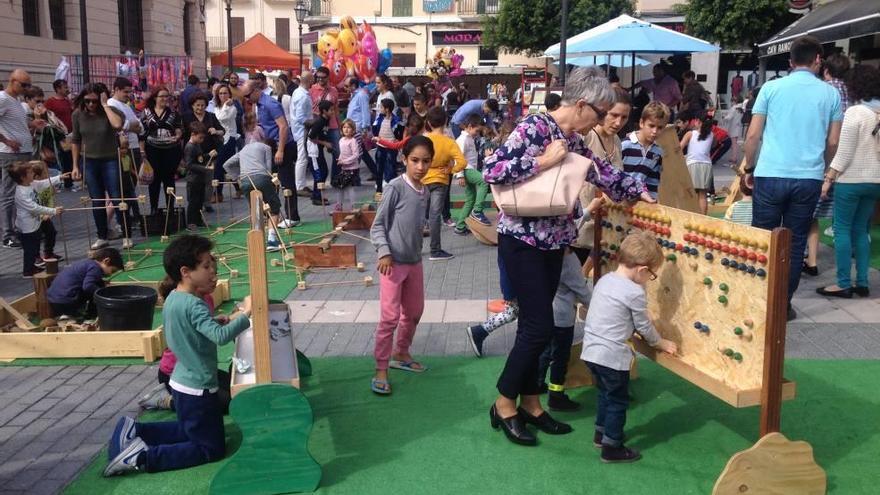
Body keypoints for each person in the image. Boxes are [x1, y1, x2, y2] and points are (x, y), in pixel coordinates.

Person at [483, 66, 651, 447]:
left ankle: (531, 403)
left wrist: (636, 189)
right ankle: (504, 403)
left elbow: (599, 171)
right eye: (599, 112)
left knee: (535, 327)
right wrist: (543, 162)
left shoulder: (571, 137)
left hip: (553, 242)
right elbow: (491, 170)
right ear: (581, 105)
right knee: (538, 328)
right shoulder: (535, 129)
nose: (603, 121)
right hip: (522, 240)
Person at [102, 235, 253, 477]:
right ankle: (140, 458)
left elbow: (190, 327)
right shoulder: (195, 304)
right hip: (197, 388)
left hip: (183, 383)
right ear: (186, 271)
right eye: (205, 266)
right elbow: (220, 337)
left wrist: (214, 319)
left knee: (189, 431)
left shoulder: (175, 297)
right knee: (209, 448)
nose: (212, 270)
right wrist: (247, 313)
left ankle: (136, 431)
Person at [743, 36, 842, 320]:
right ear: (818, 60)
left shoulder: (771, 88)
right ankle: (782, 304)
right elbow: (833, 141)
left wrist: (750, 168)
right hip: (808, 177)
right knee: (796, 241)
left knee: (762, 238)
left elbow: (752, 135)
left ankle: (757, 300)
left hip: (771, 173)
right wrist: (823, 168)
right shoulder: (830, 94)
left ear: (790, 62)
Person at [581, 231, 677, 463]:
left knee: (605, 394)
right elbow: (643, 325)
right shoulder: (634, 291)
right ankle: (612, 447)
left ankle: (600, 433)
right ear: (642, 270)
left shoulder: (605, 280)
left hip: (591, 351)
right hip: (611, 356)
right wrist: (660, 342)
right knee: (618, 401)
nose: (649, 279)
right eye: (651, 275)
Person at [369, 135, 433, 395]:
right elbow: (378, 225)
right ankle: (381, 368)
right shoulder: (395, 187)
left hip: (414, 261)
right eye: (415, 160)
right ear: (404, 159)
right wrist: (384, 252)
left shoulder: (425, 190)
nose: (420, 166)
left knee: (415, 311)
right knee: (389, 317)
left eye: (426, 161)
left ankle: (401, 352)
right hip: (392, 263)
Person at [816, 64, 880, 299]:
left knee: (842, 230)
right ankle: (862, 282)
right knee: (861, 230)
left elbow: (843, 152)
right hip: (875, 182)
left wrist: (828, 178)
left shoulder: (855, 113)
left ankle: (843, 283)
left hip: (851, 180)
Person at [805, 53, 854, 276]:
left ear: (826, 70)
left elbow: (830, 137)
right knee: (844, 219)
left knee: (806, 213)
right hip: (849, 161)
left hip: (822, 158)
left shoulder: (823, 90)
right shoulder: (853, 94)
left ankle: (808, 258)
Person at [71, 83, 129, 250]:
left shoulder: (110, 112)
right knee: (96, 200)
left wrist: (105, 105)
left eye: (94, 101)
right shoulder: (78, 114)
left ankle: (126, 235)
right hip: (89, 161)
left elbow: (117, 125)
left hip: (110, 159)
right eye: (87, 101)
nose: (90, 104)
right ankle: (102, 236)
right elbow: (75, 140)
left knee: (117, 197)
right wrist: (75, 165)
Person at [537, 245, 596, 412]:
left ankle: (537, 383)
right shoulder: (568, 259)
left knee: (546, 350)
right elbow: (581, 289)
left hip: (545, 311)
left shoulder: (542, 252)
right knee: (560, 358)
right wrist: (597, 308)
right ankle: (556, 396)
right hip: (562, 318)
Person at [245, 80, 301, 223]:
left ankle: (292, 216)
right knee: (270, 181)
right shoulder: (258, 105)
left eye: (247, 96)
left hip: (282, 146)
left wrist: (280, 150)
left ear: (256, 91)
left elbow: (283, 127)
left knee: (286, 181)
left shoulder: (270, 103)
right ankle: (274, 214)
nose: (246, 99)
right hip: (270, 145)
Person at [222, 137, 284, 250]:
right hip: (262, 177)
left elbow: (226, 165)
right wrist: (273, 184)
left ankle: (256, 241)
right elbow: (268, 169)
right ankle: (272, 240)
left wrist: (237, 179)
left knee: (255, 210)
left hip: (246, 181)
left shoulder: (243, 150)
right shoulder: (266, 147)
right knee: (274, 208)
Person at [1, 69, 38, 249]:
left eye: (28, 85)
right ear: (12, 81)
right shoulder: (3, 98)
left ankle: (17, 229)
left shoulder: (16, 101)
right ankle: (8, 234)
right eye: (23, 85)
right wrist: (7, 140)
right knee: (9, 193)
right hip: (10, 153)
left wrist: (32, 124)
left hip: (23, 151)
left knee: (21, 193)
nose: (26, 88)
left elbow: (18, 123)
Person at [423, 107, 466, 261]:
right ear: (446, 122)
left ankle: (412, 249)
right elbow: (462, 162)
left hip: (422, 180)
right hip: (440, 180)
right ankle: (435, 250)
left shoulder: (424, 139)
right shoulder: (449, 142)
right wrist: (451, 169)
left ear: (428, 122)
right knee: (435, 216)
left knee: (418, 214)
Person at [9, 161, 65, 277]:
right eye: (30, 172)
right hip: (27, 227)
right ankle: (28, 271)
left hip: (34, 223)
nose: (33, 173)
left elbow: (43, 183)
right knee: (30, 249)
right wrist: (54, 211)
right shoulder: (21, 193)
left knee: (35, 246)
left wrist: (59, 177)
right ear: (23, 177)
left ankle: (33, 266)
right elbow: (34, 208)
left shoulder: (31, 184)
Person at [47, 247, 123, 319]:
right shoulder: (95, 268)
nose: (110, 274)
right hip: (66, 301)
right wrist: (103, 293)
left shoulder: (87, 262)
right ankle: (91, 313)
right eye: (112, 271)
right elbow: (88, 286)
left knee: (98, 284)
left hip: (53, 299)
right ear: (106, 261)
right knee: (97, 288)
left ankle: (70, 313)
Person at [140, 86, 183, 214]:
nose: (165, 99)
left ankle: (170, 207)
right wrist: (142, 152)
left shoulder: (174, 113)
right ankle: (153, 208)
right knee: (154, 180)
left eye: (167, 96)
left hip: (170, 149)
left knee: (169, 179)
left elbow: (179, 128)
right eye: (162, 96)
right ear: (155, 98)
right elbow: (142, 133)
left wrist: (178, 135)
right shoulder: (146, 112)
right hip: (152, 149)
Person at [622, 102, 669, 200]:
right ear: (641, 123)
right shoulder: (625, 145)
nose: (655, 131)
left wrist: (652, 200)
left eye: (660, 127)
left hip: (642, 202)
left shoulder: (658, 152)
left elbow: (653, 181)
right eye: (651, 126)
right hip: (620, 199)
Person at [453, 114, 490, 235]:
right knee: (484, 181)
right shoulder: (462, 139)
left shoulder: (469, 138)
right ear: (469, 126)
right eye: (476, 130)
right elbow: (458, 158)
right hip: (466, 169)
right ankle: (477, 211)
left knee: (470, 199)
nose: (477, 133)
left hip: (469, 169)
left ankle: (460, 226)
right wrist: (460, 175)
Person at [344, 77, 379, 183]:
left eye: (347, 86)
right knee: (361, 152)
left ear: (353, 86)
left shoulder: (361, 95)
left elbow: (365, 112)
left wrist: (365, 128)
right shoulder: (354, 95)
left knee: (355, 153)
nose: (345, 88)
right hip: (353, 127)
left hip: (358, 128)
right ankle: (375, 172)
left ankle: (354, 177)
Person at [182, 122, 215, 231]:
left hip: (200, 178)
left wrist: (208, 155)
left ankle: (198, 220)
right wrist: (205, 169)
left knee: (200, 200)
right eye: (200, 137)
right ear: (193, 134)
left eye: (203, 138)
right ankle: (190, 222)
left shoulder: (197, 145)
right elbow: (189, 164)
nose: (202, 140)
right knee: (193, 202)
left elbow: (199, 158)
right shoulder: (189, 147)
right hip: (193, 179)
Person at [212, 83, 242, 202]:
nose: (223, 95)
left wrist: (225, 105)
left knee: (220, 166)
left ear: (229, 94)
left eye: (225, 93)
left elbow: (221, 118)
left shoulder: (232, 108)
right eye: (220, 93)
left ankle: (218, 193)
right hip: (219, 140)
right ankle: (238, 187)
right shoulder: (215, 108)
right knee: (226, 166)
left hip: (230, 139)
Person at [680, 113, 715, 214]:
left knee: (690, 193)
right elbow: (712, 145)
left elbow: (679, 148)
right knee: (702, 194)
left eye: (695, 120)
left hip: (692, 164)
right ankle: (703, 217)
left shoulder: (690, 134)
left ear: (699, 122)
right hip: (706, 165)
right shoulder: (711, 135)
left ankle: (690, 215)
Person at [310, 67, 341, 179]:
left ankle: (335, 178)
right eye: (318, 77)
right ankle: (320, 179)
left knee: (337, 152)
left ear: (328, 77)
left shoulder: (333, 90)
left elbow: (336, 109)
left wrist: (339, 125)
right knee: (318, 154)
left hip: (332, 126)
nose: (320, 80)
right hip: (319, 126)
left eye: (323, 78)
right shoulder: (312, 90)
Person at [44, 79, 75, 190]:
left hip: (69, 134)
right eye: (65, 87)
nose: (67, 89)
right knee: (64, 158)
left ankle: (69, 181)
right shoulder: (50, 102)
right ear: (58, 89)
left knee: (70, 157)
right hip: (59, 135)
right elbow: (46, 115)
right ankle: (66, 182)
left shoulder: (68, 101)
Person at [372, 98, 404, 199]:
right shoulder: (379, 119)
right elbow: (375, 129)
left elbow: (400, 133)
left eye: (381, 107)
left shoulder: (395, 120)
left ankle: (391, 190)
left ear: (387, 109)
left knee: (390, 168)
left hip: (391, 148)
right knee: (379, 168)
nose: (379, 109)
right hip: (381, 147)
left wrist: (398, 141)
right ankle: (379, 190)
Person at [306, 100, 334, 206]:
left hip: (319, 149)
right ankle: (317, 197)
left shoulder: (326, 120)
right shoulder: (320, 122)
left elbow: (323, 134)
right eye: (330, 110)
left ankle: (316, 194)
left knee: (324, 171)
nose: (333, 112)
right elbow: (311, 137)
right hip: (314, 151)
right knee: (319, 173)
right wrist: (325, 143)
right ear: (324, 111)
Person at [291, 73, 314, 196]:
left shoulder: (298, 92)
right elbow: (300, 117)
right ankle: (299, 186)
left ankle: (301, 184)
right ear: (309, 80)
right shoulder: (302, 96)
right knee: (302, 157)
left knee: (303, 157)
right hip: (302, 131)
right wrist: (313, 122)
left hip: (300, 130)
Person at [332, 119, 360, 211]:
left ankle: (353, 206)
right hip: (344, 168)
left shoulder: (353, 141)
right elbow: (342, 153)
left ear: (353, 130)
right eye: (344, 127)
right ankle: (339, 205)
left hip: (352, 168)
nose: (346, 129)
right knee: (340, 186)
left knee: (349, 188)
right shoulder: (341, 140)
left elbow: (356, 155)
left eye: (349, 127)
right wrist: (340, 159)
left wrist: (345, 161)